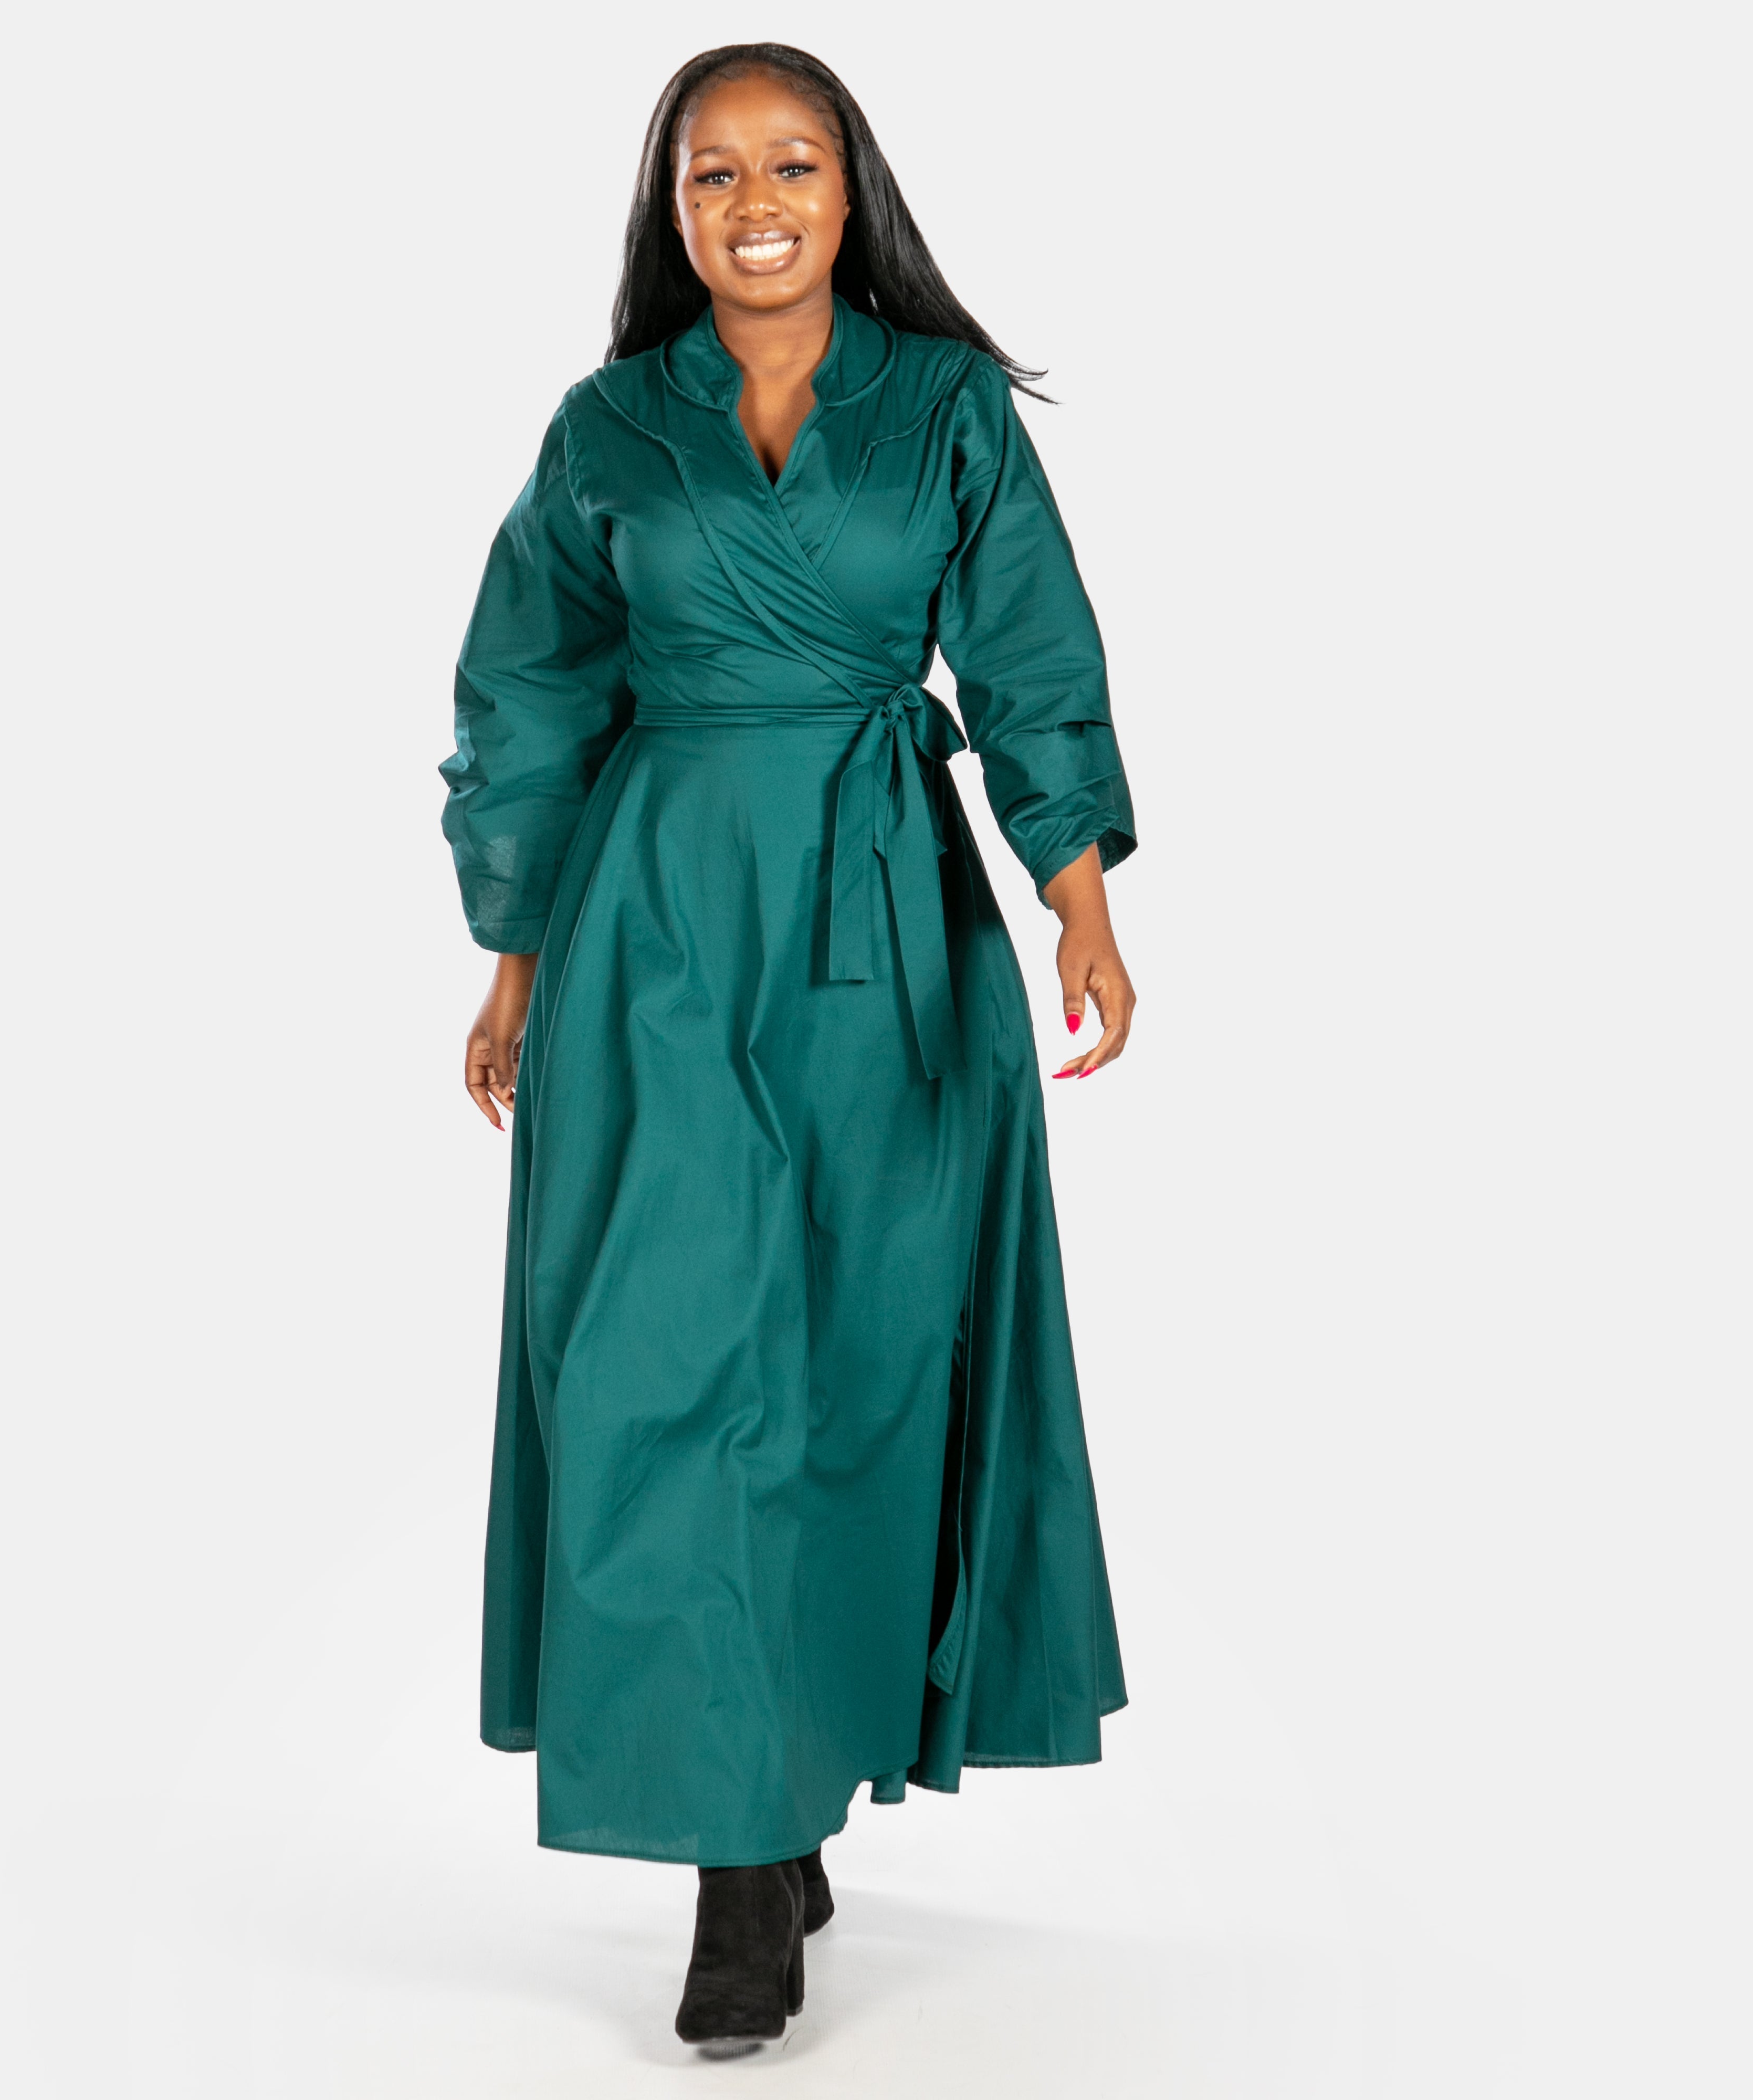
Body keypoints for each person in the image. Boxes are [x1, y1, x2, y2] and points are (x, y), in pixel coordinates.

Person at [440, 41, 1138, 2056]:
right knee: (665, 1368)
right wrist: (512, 960)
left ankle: (792, 1767)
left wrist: (1080, 895)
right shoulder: (609, 427)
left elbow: (1031, 650)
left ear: (853, 192)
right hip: (654, 929)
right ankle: (737, 1868)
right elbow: (530, 686)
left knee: (853, 1366)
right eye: (714, 173)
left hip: (885, 933)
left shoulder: (944, 412)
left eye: (793, 165)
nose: (754, 202)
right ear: (672, 209)